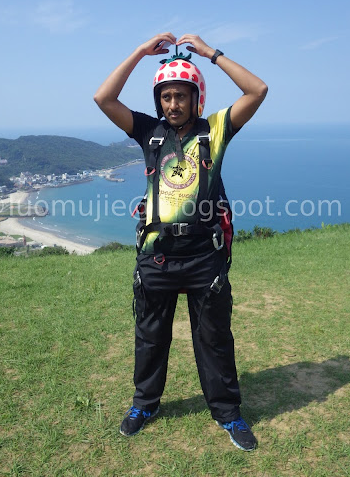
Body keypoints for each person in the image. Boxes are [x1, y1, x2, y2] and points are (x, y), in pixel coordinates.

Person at [94, 32, 268, 451]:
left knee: (214, 338)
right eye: (166, 96)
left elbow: (257, 89)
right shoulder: (149, 132)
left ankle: (228, 413)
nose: (173, 104)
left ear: (196, 98)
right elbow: (104, 99)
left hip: (204, 258)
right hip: (157, 258)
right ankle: (144, 404)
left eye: (181, 96)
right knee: (151, 336)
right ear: (160, 101)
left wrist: (211, 54)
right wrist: (139, 52)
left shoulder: (215, 130)